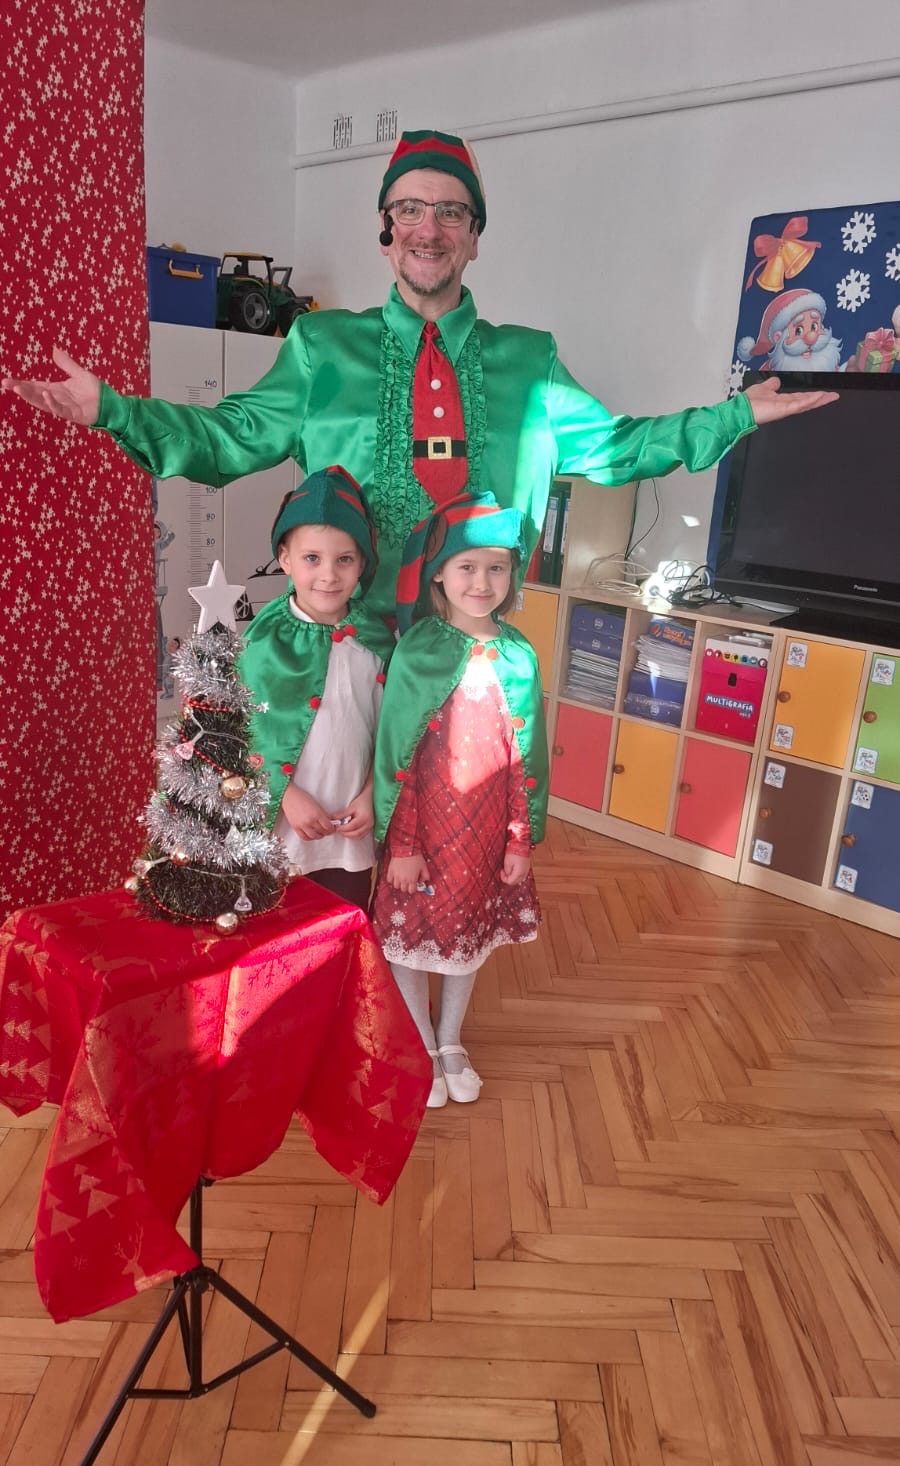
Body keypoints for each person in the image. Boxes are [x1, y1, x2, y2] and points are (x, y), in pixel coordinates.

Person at [2, 131, 838, 625]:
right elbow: (229, 438)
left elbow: (620, 448)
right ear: (385, 230)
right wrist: (115, 411)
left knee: (456, 853)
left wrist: (735, 416)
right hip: (344, 640)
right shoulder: (320, 345)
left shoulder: (530, 360)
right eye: (409, 208)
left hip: (471, 645)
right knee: (342, 848)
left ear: (474, 236)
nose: (428, 229)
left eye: (450, 212)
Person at [370, 491, 547, 1108]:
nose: (482, 581)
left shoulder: (519, 655)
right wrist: (403, 845)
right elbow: (398, 758)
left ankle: (450, 1041)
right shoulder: (417, 650)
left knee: (468, 938)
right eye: (467, 566)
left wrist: (519, 841)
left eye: (497, 567)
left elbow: (527, 761)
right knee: (413, 937)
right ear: (438, 574)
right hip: (423, 836)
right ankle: (420, 1043)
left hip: (484, 838)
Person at [239, 465, 395, 912]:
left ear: (362, 564)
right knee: (276, 934)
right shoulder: (264, 641)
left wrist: (372, 794)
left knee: (341, 928)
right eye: (312, 558)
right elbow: (240, 732)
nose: (328, 575)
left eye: (344, 560)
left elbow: (391, 731)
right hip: (280, 834)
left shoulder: (377, 641)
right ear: (285, 559)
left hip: (350, 837)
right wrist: (284, 795)